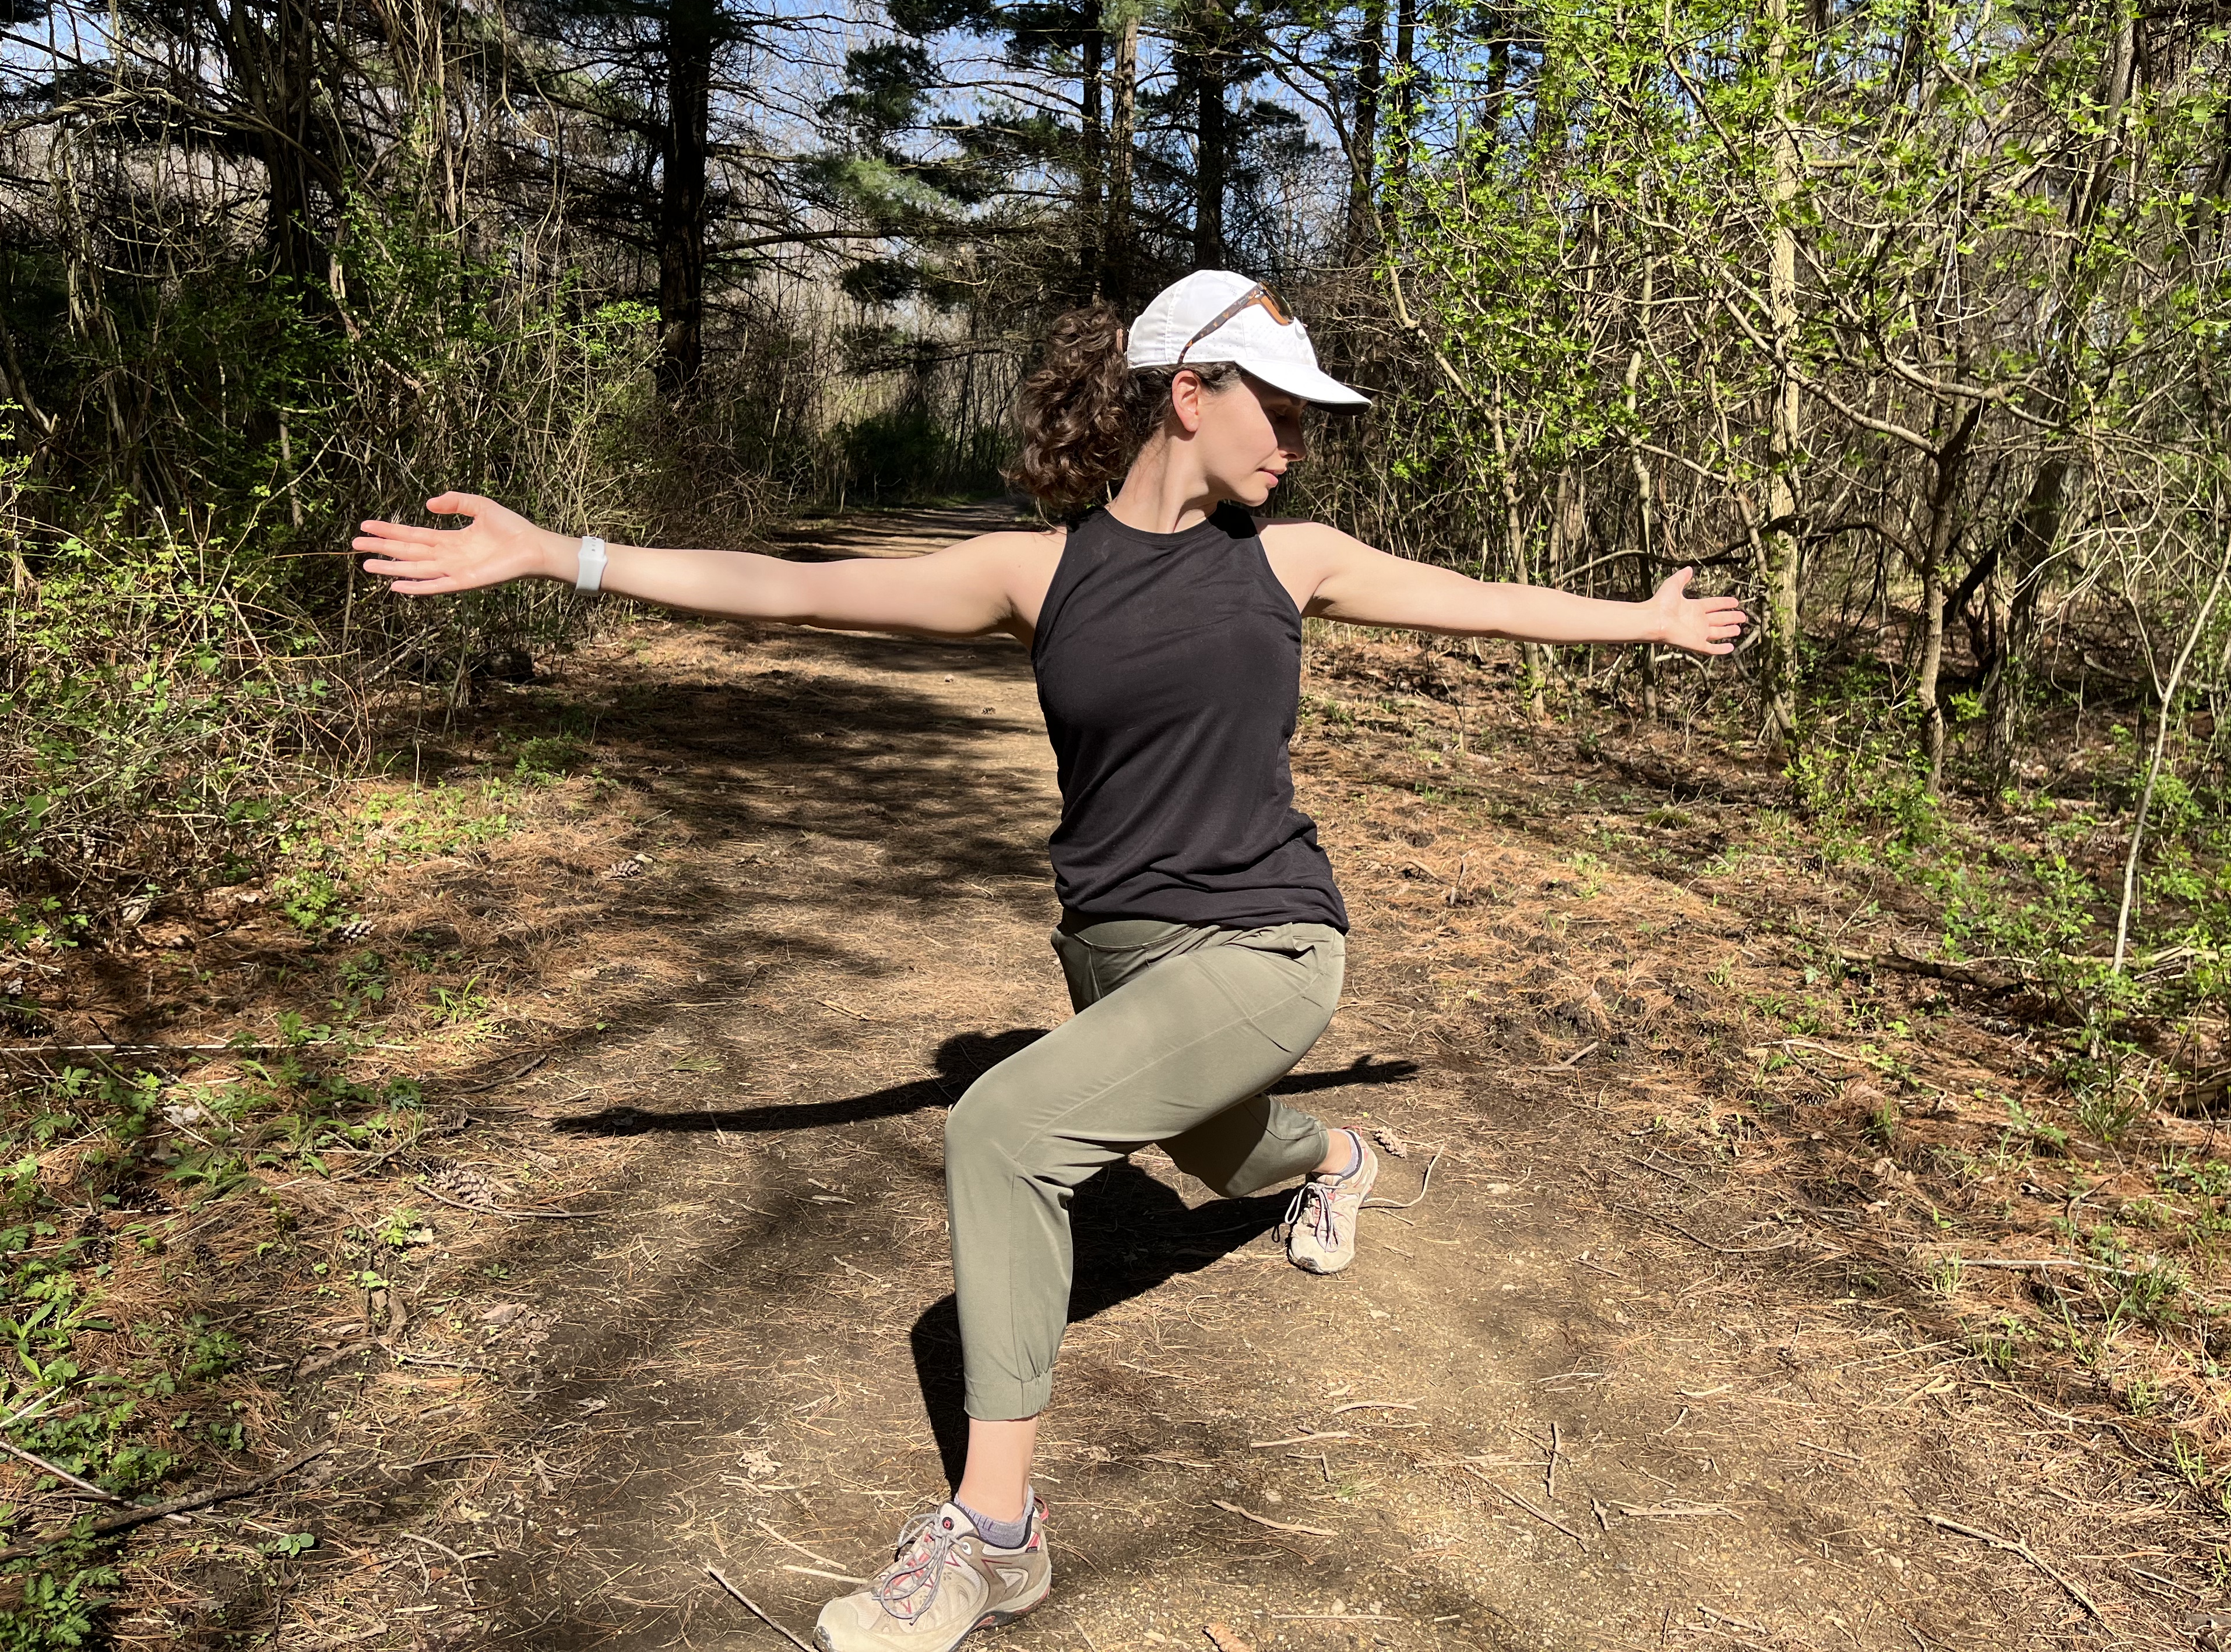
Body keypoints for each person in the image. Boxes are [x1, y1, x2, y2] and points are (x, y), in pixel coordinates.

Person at [351, 270, 1747, 1651]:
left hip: (1270, 943)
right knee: (1219, 1155)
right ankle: (1337, 1160)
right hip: (1116, 957)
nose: (1299, 442)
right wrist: (562, 557)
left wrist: (1649, 620)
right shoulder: (1040, 572)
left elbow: (1481, 602)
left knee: (1006, 1128)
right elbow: (787, 592)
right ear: (1188, 395)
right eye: (1280, 409)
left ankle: (995, 1538)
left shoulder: (1290, 561)